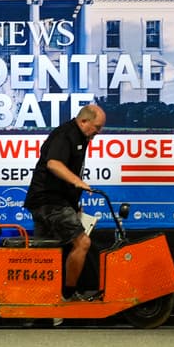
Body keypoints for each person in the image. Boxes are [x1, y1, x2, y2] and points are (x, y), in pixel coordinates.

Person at [23, 103, 106, 300]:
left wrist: (75, 205)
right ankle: (68, 295)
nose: (99, 132)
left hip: (50, 201)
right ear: (84, 121)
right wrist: (79, 182)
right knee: (82, 243)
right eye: (97, 127)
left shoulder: (81, 137)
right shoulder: (65, 134)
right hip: (49, 202)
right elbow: (53, 164)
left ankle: (39, 301)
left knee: (46, 252)